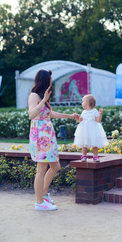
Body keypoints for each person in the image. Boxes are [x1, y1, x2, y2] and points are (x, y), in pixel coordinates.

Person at [28, 69, 79, 211]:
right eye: (50, 79)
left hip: (48, 135)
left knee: (55, 166)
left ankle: (43, 195)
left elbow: (50, 113)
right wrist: (43, 100)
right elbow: (32, 114)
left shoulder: (43, 95)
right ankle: (39, 202)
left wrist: (70, 116)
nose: (51, 81)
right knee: (41, 169)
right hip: (40, 136)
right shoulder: (34, 96)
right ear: (45, 80)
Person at [74, 94, 109, 162]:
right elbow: (80, 121)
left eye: (83, 101)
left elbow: (98, 120)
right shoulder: (83, 112)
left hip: (93, 130)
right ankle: (84, 156)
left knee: (94, 143)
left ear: (88, 103)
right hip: (85, 130)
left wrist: (100, 114)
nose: (82, 103)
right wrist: (77, 119)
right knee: (84, 143)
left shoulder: (94, 111)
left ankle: (95, 156)